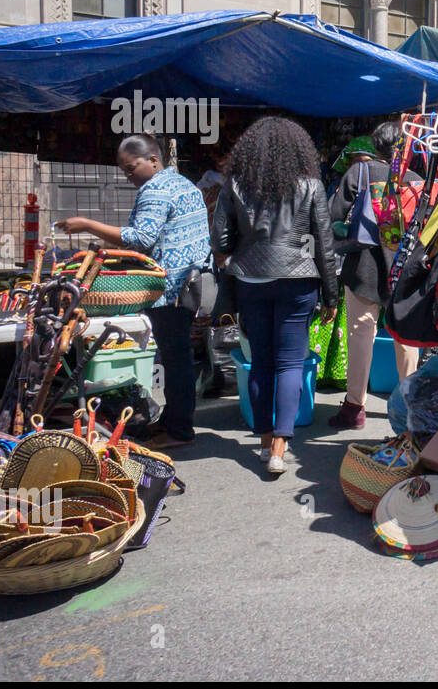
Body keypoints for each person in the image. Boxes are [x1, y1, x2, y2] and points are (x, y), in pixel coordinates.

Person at [56, 133, 210, 449]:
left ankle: (179, 431)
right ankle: (172, 423)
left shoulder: (155, 189)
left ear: (154, 160)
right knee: (175, 356)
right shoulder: (184, 185)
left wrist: (87, 224)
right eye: (124, 170)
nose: (129, 176)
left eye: (132, 167)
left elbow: (140, 238)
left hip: (169, 288)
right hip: (191, 284)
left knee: (176, 359)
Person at [211, 116, 338, 475]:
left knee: (261, 363)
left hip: (250, 280)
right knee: (290, 363)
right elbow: (324, 245)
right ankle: (281, 447)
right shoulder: (311, 184)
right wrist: (331, 295)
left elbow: (220, 242)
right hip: (299, 281)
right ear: (298, 150)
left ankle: (265, 443)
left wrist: (245, 251)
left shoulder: (235, 183)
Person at [327, 123, 419, 429]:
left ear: (376, 145)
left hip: (363, 267)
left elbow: (333, 216)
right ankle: (409, 406)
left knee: (360, 334)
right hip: (405, 270)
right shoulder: (417, 180)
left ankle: (355, 407)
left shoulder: (360, 173)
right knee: (406, 338)